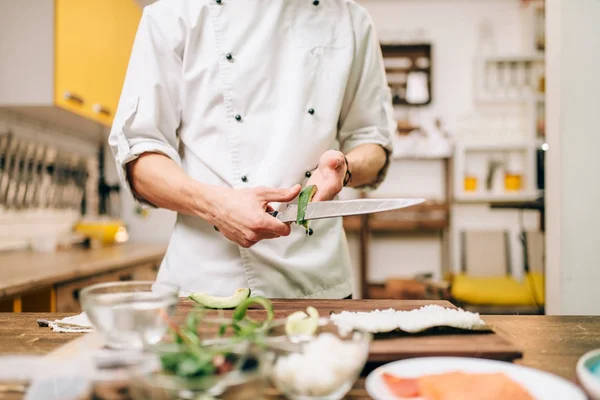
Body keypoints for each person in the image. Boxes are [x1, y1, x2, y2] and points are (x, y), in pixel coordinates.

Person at [108, 0, 394, 299]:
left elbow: (372, 142)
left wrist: (344, 168)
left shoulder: (351, 19)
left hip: (321, 283)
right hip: (209, 282)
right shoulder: (174, 14)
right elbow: (140, 159)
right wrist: (216, 206)